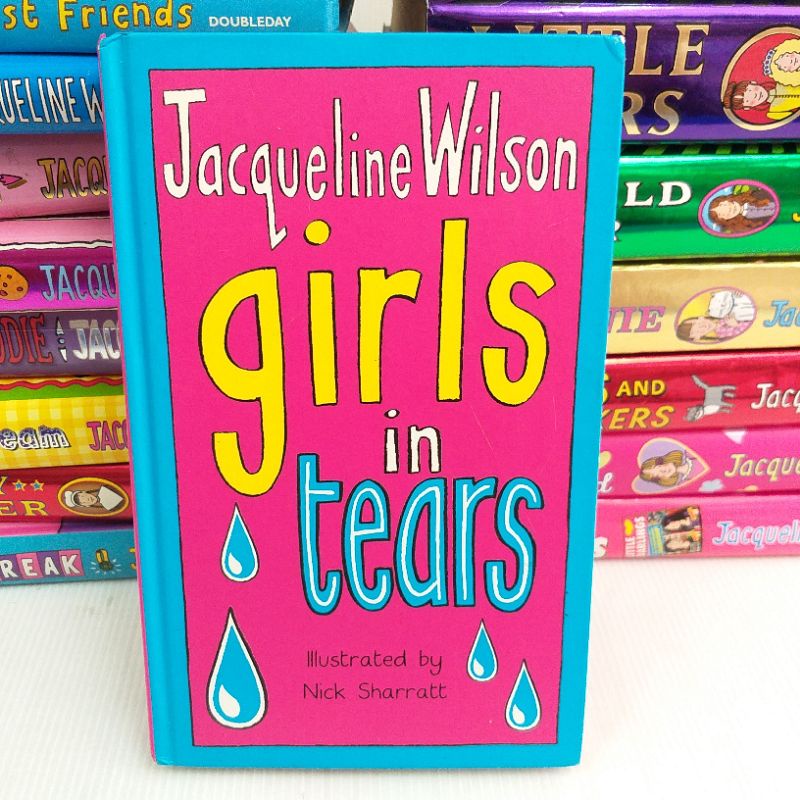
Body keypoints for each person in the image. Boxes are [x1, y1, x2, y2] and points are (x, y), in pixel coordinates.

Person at [707, 186, 777, 234]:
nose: (728, 209)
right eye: (723, 214)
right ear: (726, 220)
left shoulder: (754, 195)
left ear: (729, 199)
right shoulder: (748, 224)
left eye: (724, 205)